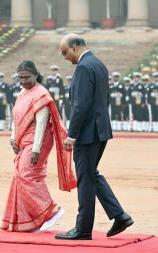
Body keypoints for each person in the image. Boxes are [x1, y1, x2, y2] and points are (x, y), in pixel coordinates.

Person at [56, 33, 133, 240]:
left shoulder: (83, 67)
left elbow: (81, 104)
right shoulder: (98, 64)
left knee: (85, 179)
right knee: (91, 174)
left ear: (74, 47)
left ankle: (83, 229)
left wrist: (72, 135)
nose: (64, 57)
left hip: (87, 133)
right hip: (99, 130)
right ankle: (119, 215)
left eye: (64, 52)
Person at [2, 60, 76, 232]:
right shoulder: (22, 93)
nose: (23, 81)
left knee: (27, 175)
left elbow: (42, 123)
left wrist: (36, 149)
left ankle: (50, 212)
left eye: (27, 77)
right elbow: (16, 117)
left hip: (39, 140)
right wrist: (13, 138)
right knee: (19, 176)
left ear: (36, 75)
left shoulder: (41, 93)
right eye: (20, 78)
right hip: (24, 140)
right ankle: (30, 220)